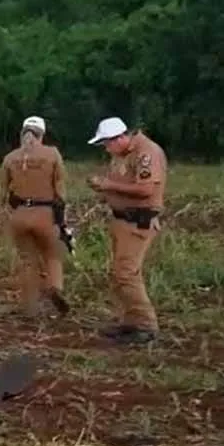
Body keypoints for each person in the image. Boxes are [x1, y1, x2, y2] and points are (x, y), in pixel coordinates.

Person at [86, 117, 167, 344]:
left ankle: (146, 326)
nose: (106, 148)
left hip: (137, 221)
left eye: (107, 143)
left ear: (120, 138)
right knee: (122, 274)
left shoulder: (146, 153)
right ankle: (131, 321)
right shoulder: (123, 155)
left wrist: (108, 186)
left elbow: (146, 189)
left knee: (126, 273)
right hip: (123, 220)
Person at [0, 115, 70, 318]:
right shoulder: (52, 154)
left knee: (28, 262)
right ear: (42, 134)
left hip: (20, 215)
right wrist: (62, 217)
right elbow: (60, 189)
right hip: (45, 213)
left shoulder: (10, 158)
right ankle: (55, 288)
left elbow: (2, 193)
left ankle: (29, 307)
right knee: (53, 255)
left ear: (23, 133)